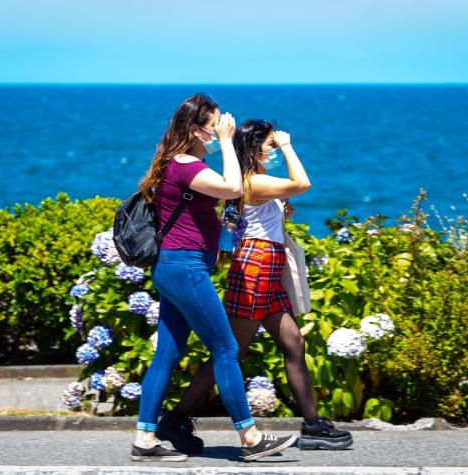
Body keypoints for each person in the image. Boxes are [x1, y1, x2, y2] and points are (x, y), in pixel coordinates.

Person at [156, 119, 353, 452]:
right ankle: (176, 418)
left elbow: (254, 223)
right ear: (253, 148)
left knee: (293, 344)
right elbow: (302, 182)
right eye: (270, 144)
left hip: (266, 267)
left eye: (276, 145)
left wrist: (281, 214)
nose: (274, 149)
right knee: (231, 351)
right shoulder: (254, 181)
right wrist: (290, 146)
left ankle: (313, 425)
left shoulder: (255, 181)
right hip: (255, 269)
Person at [131, 97, 297, 462]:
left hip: (177, 267)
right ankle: (250, 437)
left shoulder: (180, 164)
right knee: (225, 349)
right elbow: (234, 188)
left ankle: (144, 439)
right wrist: (226, 140)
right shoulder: (187, 165)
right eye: (215, 123)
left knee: (168, 353)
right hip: (185, 269)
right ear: (195, 129)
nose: (223, 127)